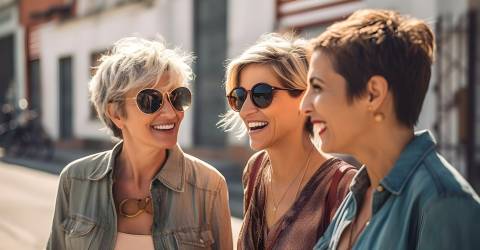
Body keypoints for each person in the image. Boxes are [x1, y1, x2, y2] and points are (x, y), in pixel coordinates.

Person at [300, 9, 480, 250]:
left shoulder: (443, 204)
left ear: (373, 94)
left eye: (318, 87)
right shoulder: (359, 192)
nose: (304, 106)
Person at [47, 37, 233, 250]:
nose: (171, 113)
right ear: (116, 113)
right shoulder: (74, 180)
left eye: (177, 97)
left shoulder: (209, 186)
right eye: (151, 100)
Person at [219, 33, 357, 250]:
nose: (245, 110)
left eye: (261, 94)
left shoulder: (344, 187)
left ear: (305, 98)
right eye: (239, 96)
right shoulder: (255, 170)